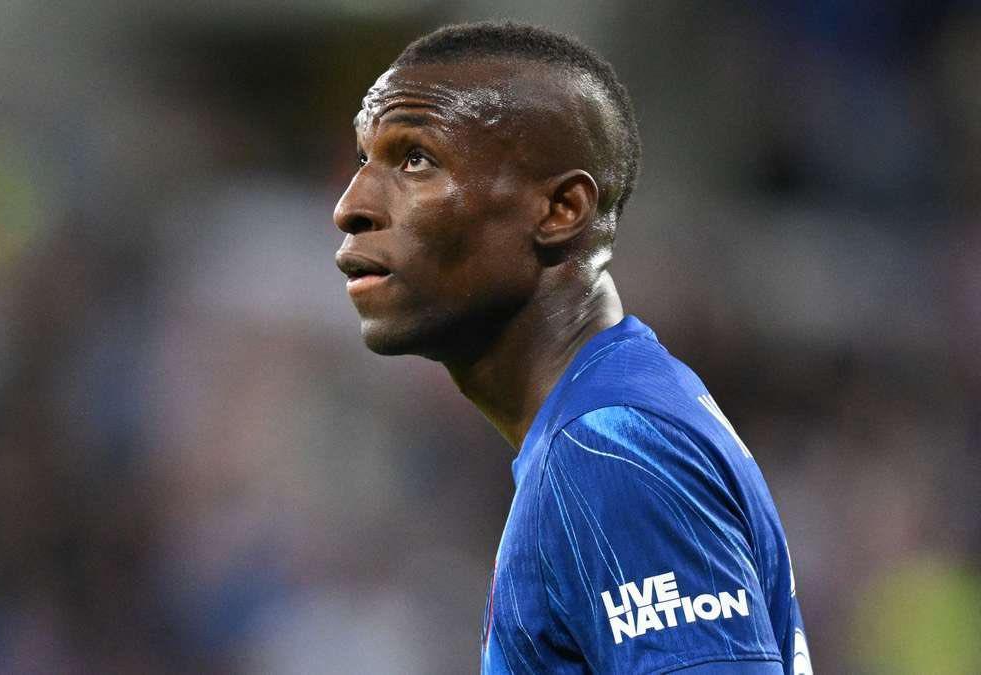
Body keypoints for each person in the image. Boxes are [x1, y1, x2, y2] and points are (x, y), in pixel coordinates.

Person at [332, 21, 812, 675]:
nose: (351, 206)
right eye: (365, 159)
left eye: (416, 159)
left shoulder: (613, 449)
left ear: (561, 210)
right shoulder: (612, 419)